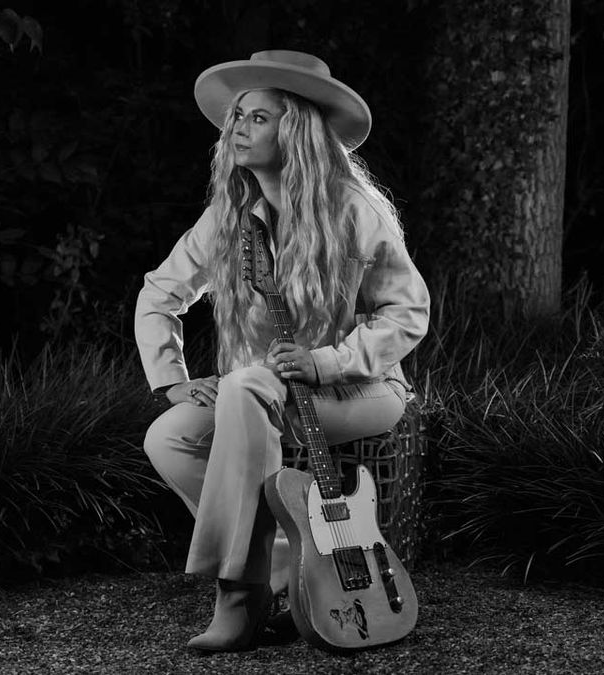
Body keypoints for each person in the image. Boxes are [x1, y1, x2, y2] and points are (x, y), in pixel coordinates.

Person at [134, 49, 430, 652]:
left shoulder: (356, 211)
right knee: (166, 436)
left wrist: (327, 361)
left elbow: (409, 313)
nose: (238, 127)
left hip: (360, 391)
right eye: (237, 115)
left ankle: (238, 596)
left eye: (259, 117)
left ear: (296, 128)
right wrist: (171, 381)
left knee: (244, 386)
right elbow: (159, 294)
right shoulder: (230, 218)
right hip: (264, 393)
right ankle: (288, 567)